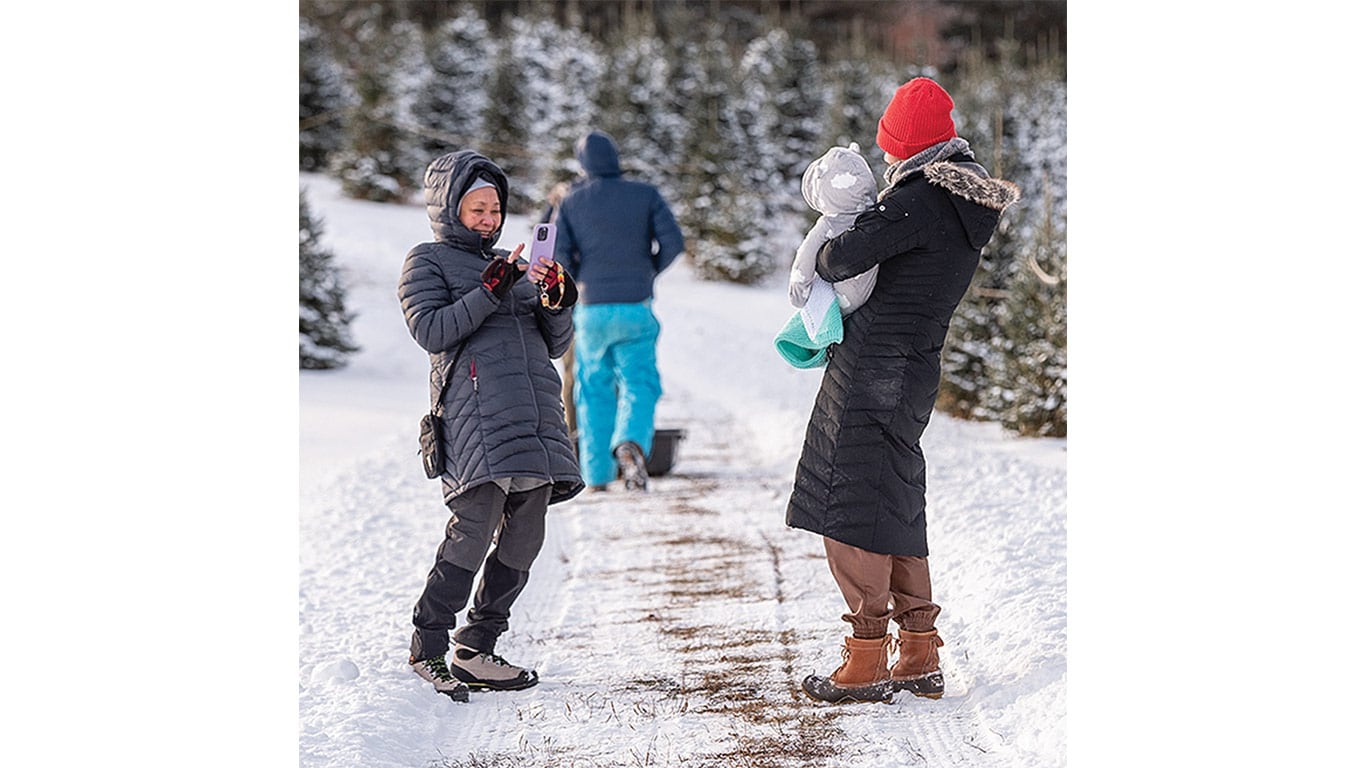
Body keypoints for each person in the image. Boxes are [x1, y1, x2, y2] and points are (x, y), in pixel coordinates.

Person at [786, 78, 1020, 704]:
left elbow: (837, 259)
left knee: (848, 499)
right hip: (914, 370)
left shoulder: (917, 201)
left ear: (909, 146)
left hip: (872, 368)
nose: (886, 159)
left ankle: (865, 660)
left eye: (891, 147)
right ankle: (917, 650)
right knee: (894, 496)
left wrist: (834, 228)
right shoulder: (963, 202)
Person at [396, 149, 583, 702]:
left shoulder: (512, 263)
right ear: (449, 209)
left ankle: (477, 646)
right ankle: (428, 644)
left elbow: (555, 344)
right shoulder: (426, 262)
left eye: (494, 208)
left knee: (525, 538)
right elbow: (431, 331)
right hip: (474, 418)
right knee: (472, 531)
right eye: (476, 208)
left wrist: (556, 301)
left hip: (534, 419)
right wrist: (489, 289)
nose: (488, 218)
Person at [553, 129, 685, 493]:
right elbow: (673, 243)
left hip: (591, 309)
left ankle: (596, 475)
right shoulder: (645, 194)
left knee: (592, 387)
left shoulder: (571, 200)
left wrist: (584, 280)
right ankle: (630, 441)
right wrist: (648, 271)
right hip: (635, 307)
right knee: (639, 382)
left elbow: (559, 256)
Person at [774, 142, 881, 369]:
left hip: (843, 297)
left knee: (819, 304)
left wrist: (798, 288)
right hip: (869, 295)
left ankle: (814, 341)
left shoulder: (829, 224)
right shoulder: (878, 216)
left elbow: (805, 256)